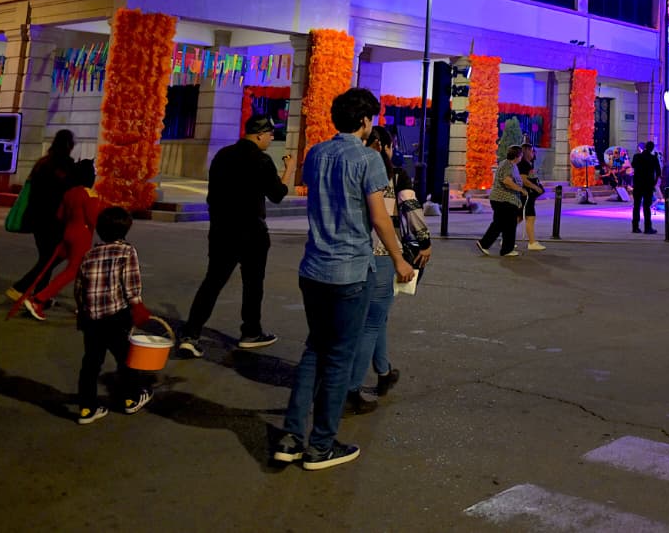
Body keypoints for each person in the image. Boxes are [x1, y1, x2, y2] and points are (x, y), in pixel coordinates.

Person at [275, 87, 414, 470]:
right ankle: (321, 445)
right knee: (338, 359)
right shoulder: (367, 159)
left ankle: (290, 436)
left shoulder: (316, 153)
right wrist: (400, 258)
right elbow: (379, 217)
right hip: (351, 270)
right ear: (366, 121)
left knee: (313, 351)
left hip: (313, 267)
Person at [179, 114, 295, 356]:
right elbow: (277, 194)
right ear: (260, 134)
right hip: (252, 232)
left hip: (222, 230)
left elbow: (213, 196)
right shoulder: (261, 161)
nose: (272, 138)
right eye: (271, 134)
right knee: (253, 284)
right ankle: (251, 332)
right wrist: (289, 171)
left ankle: (191, 333)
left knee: (212, 282)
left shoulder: (223, 155)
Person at [346, 126, 432, 415]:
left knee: (376, 317)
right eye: (391, 145)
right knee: (371, 322)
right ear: (383, 145)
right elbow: (410, 207)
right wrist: (424, 241)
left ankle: (383, 372)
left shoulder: (352, 169)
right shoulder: (393, 175)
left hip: (352, 252)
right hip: (383, 254)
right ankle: (352, 389)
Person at [73, 206, 152, 424]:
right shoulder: (127, 251)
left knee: (91, 362)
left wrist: (81, 311)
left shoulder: (89, 255)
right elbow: (131, 282)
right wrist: (137, 305)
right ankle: (131, 398)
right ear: (126, 230)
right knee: (126, 358)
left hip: (92, 319)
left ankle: (87, 408)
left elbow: (79, 287)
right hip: (117, 315)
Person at [20, 160, 104, 321]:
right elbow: (94, 220)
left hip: (67, 232)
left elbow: (60, 215)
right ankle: (39, 299)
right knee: (73, 271)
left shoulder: (70, 193)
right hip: (82, 236)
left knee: (75, 271)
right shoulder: (90, 195)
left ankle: (83, 305)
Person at [8, 129, 76, 302]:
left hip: (36, 218)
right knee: (52, 257)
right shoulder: (66, 166)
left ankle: (40, 295)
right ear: (70, 145)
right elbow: (69, 191)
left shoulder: (43, 163)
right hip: (54, 219)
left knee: (47, 256)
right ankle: (21, 288)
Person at [479, 145, 527, 256]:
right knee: (506, 224)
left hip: (502, 199)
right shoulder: (508, 165)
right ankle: (502, 248)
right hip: (504, 200)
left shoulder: (509, 164)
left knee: (502, 224)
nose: (521, 157)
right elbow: (507, 181)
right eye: (521, 155)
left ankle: (495, 246)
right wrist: (520, 189)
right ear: (517, 156)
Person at [518, 143, 547, 251]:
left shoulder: (527, 164)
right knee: (530, 217)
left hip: (524, 195)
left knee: (519, 217)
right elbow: (523, 179)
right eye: (532, 151)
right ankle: (532, 242)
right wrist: (535, 187)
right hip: (526, 195)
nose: (534, 153)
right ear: (527, 152)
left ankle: (506, 238)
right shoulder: (524, 164)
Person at [630, 141, 659, 234]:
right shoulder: (653, 158)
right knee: (647, 207)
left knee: (636, 206)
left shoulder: (637, 157)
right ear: (652, 148)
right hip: (648, 185)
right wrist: (654, 183)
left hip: (638, 184)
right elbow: (658, 172)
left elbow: (633, 165)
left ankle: (635, 227)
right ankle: (647, 227)